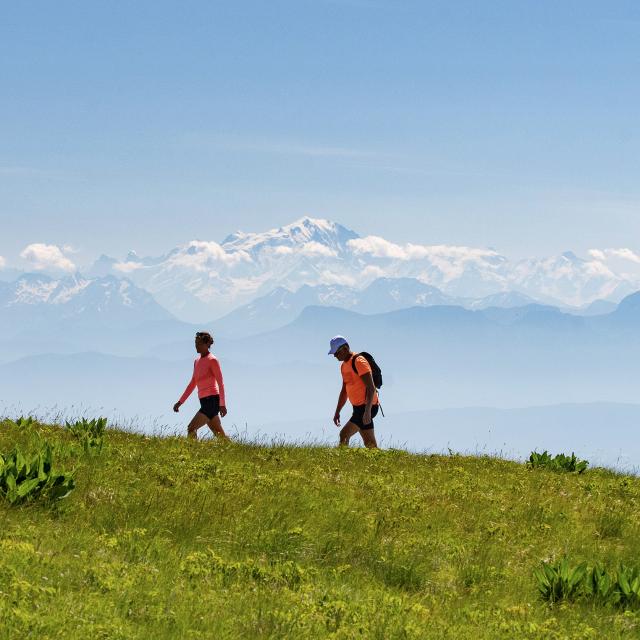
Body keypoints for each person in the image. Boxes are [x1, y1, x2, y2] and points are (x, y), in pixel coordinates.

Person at [173, 331, 228, 440]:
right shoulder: (197, 361)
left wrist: (222, 404)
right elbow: (193, 383)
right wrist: (180, 402)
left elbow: (221, 383)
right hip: (204, 401)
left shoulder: (212, 360)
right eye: (195, 343)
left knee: (191, 428)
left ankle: (192, 454)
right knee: (220, 436)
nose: (196, 346)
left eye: (199, 343)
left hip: (212, 401)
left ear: (207, 344)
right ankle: (234, 453)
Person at [329, 335, 379, 449]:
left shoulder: (359, 361)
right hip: (358, 408)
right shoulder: (343, 366)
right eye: (334, 354)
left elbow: (371, 387)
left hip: (367, 407)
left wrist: (367, 412)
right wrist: (337, 411)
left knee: (344, 435)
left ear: (346, 348)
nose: (335, 356)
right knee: (370, 445)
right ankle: (384, 464)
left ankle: (343, 464)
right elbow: (344, 391)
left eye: (336, 352)